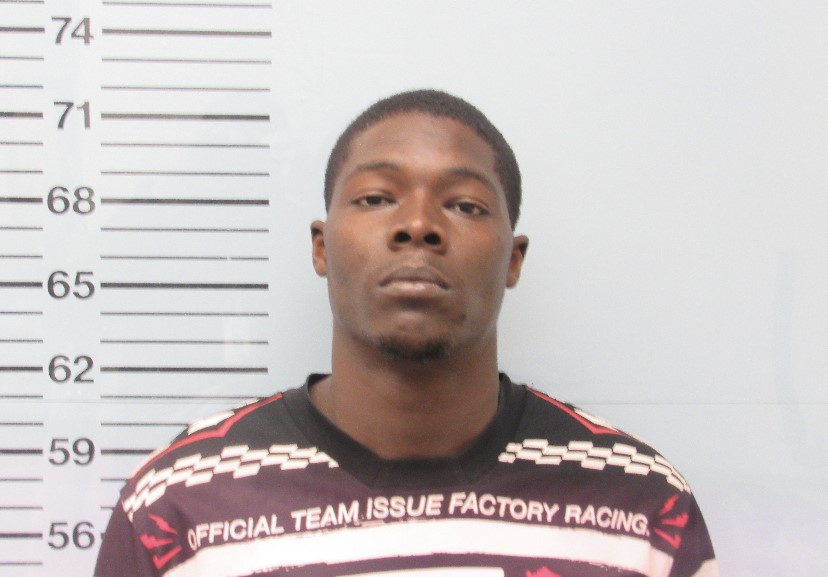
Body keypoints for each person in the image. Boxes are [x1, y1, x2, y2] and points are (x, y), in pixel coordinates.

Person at [95, 89, 718, 577]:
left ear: (513, 259)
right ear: (321, 247)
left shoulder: (641, 506)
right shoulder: (179, 507)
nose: (418, 225)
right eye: (375, 198)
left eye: (465, 205)